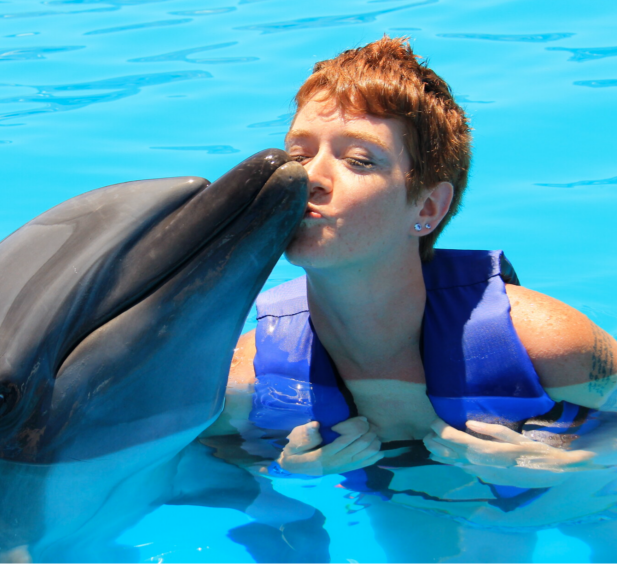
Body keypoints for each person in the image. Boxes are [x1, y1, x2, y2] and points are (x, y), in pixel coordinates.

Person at [200, 35, 617, 561]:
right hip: (410, 504)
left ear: (427, 207)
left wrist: (577, 464)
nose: (311, 179)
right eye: (298, 156)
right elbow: (202, 464)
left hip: (585, 508)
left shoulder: (543, 342)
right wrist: (281, 468)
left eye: (358, 160)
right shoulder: (251, 377)